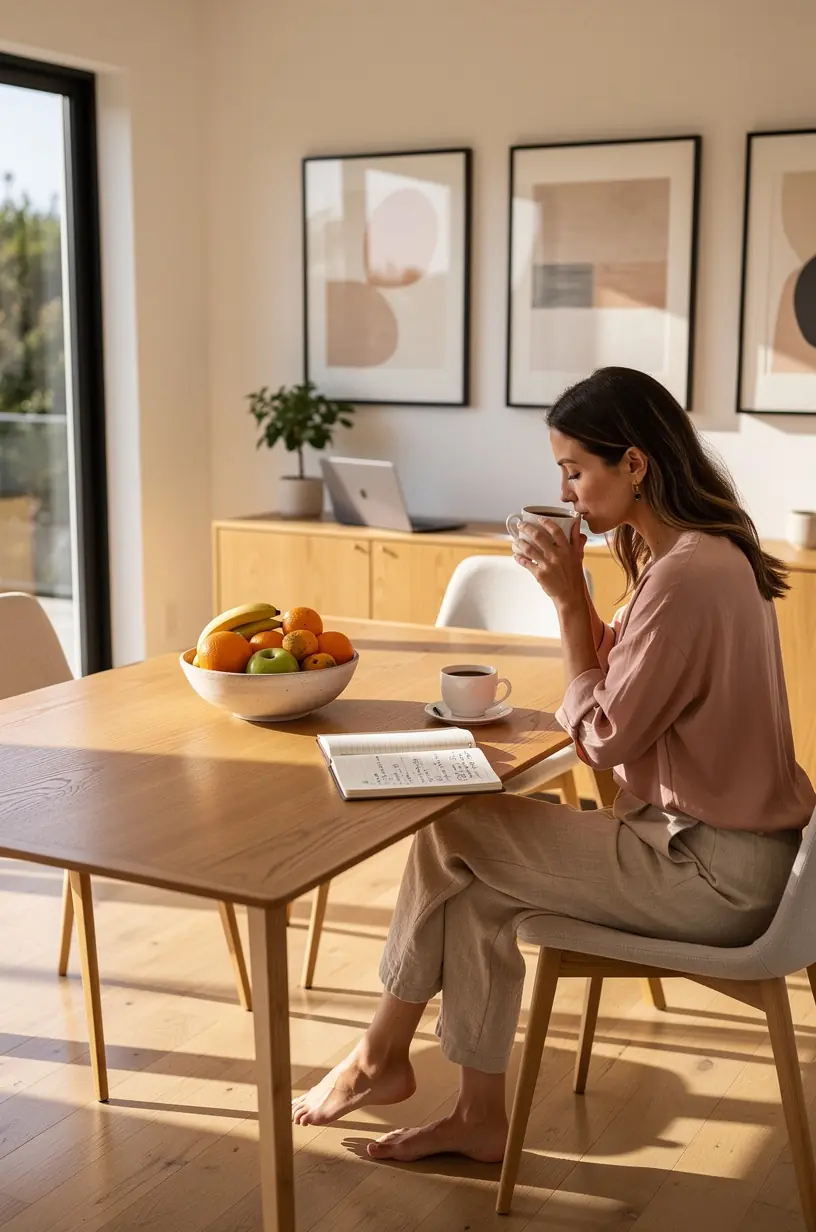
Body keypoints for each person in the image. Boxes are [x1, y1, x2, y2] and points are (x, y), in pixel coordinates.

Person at [292, 366, 815, 1163]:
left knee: (454, 825)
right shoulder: (701, 554)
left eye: (575, 470)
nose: (566, 492)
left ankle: (377, 1056)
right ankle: (475, 1116)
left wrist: (570, 600)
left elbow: (604, 735)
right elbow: (630, 679)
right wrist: (579, 605)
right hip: (724, 856)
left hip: (712, 876)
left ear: (634, 464)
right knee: (477, 893)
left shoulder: (686, 576)